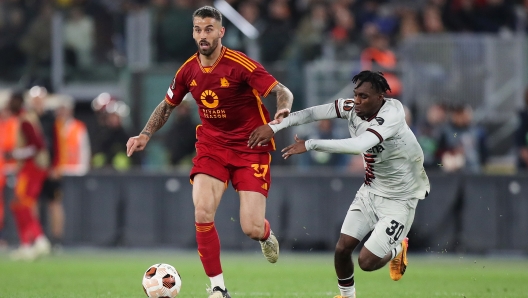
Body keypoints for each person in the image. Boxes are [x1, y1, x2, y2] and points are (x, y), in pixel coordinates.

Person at [126, 6, 293, 298]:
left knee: (250, 228)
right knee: (202, 212)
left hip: (250, 147)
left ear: (220, 32)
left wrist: (282, 110)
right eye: (198, 29)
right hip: (212, 147)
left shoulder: (240, 65)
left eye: (208, 29)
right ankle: (218, 289)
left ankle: (265, 235)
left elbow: (282, 90)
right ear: (193, 32)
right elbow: (167, 105)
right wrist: (145, 133)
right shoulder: (188, 70)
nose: (203, 35)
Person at [249, 70, 430, 298]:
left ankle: (397, 249)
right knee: (342, 249)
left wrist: (311, 144)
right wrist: (275, 127)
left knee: (367, 261)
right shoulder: (352, 107)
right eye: (355, 95)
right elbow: (314, 113)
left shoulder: (392, 115)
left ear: (380, 98)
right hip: (371, 190)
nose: (357, 101)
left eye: (363, 96)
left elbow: (358, 145)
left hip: (400, 199)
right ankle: (347, 296)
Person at [5, 92, 51, 261]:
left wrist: (15, 154)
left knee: (21, 203)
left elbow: (36, 146)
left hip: (31, 168)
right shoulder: (26, 118)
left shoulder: (25, 120)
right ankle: (29, 243)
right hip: (31, 167)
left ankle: (37, 240)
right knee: (19, 205)